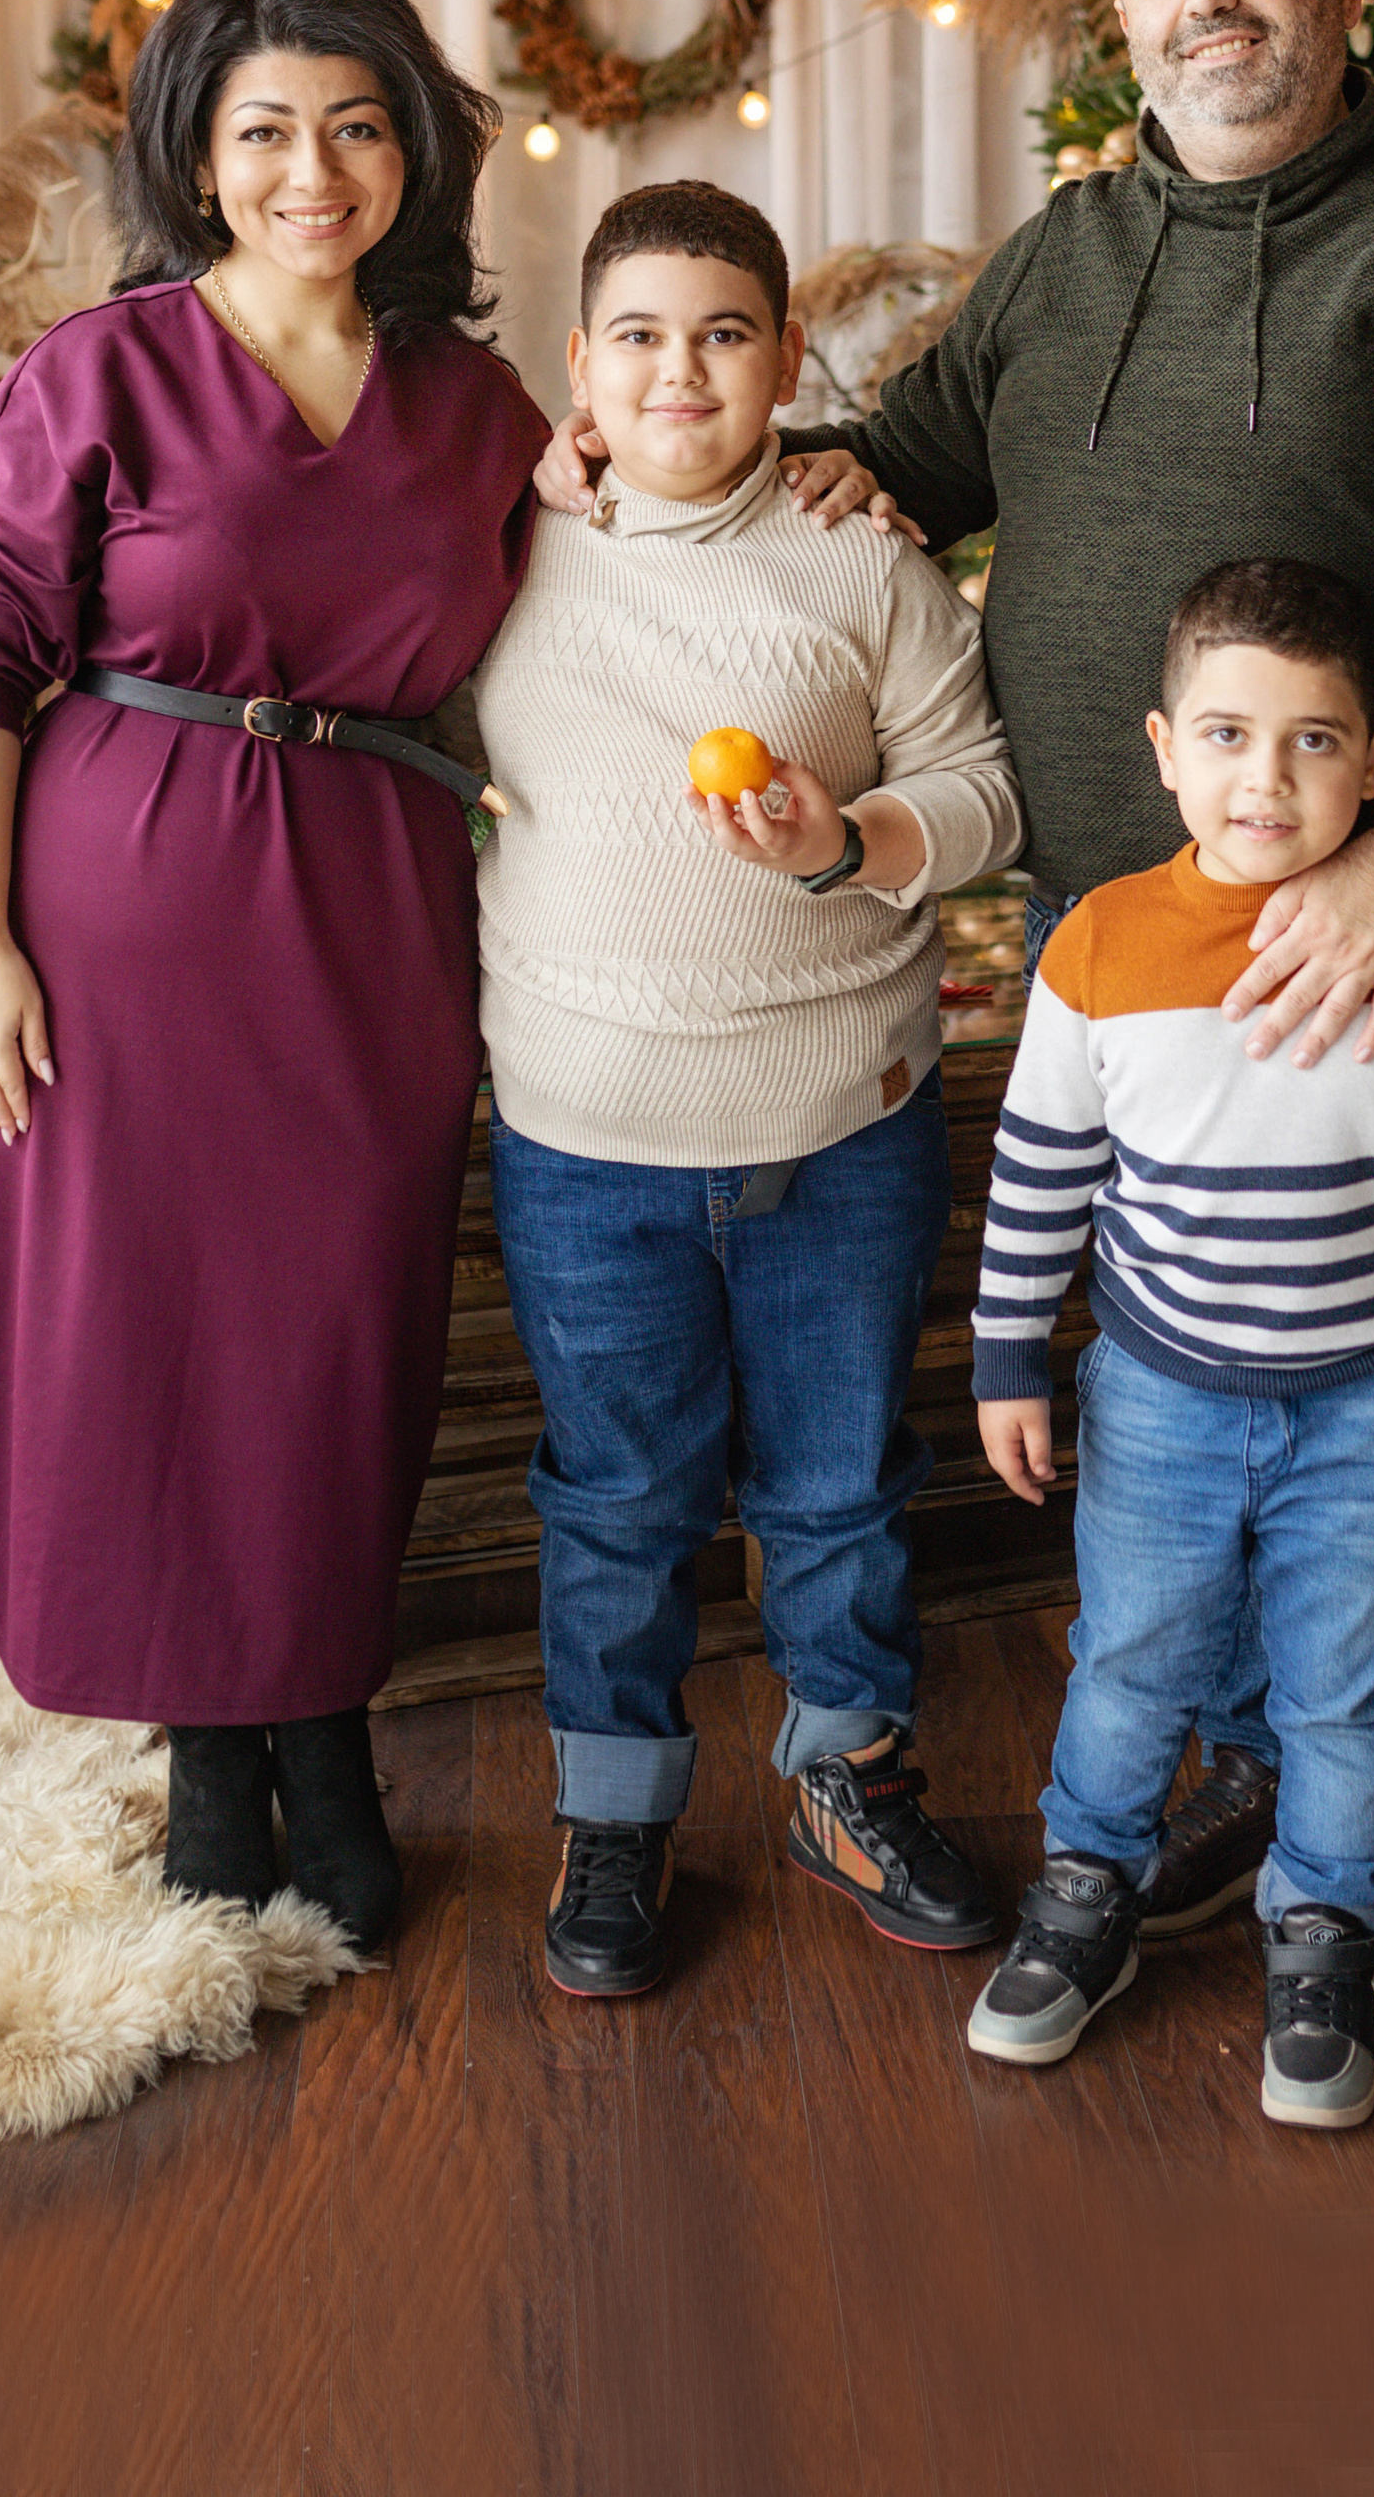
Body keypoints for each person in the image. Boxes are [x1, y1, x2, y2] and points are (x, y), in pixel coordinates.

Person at [535, 0, 1374, 2133]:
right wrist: (652, 435)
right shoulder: (1067, 255)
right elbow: (894, 465)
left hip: (1364, 929)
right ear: (1119, 6)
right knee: (1195, 1405)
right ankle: (1259, 1801)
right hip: (1111, 963)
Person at [0, 0, 547, 1953]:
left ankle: (324, 1730)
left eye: (355, 125)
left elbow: (596, 594)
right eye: (264, 128)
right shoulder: (97, 370)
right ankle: (209, 1748)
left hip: (367, 919)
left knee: (332, 1343)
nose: (311, 167)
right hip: (116, 914)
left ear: (412, 150)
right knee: (152, 1339)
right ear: (193, 152)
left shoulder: (476, 402)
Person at [468, 180, 1022, 1999]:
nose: (680, 368)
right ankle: (616, 1815)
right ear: (579, 369)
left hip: (840, 1125)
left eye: (723, 332)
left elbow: (984, 791)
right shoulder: (497, 545)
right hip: (582, 1130)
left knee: (841, 1484)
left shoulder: (864, 561)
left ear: (788, 361)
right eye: (636, 334)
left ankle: (847, 1778)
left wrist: (849, 834)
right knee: (616, 1498)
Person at [964, 559, 1374, 2133]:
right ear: (1165, 748)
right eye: (1230, 736)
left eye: (1315, 742)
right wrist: (1006, 1359)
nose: (1268, 778)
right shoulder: (1099, 949)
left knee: (1347, 1698)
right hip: (1163, 1398)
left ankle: (1321, 1945)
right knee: (1129, 1665)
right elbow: (1041, 1177)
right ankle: (1086, 1891)